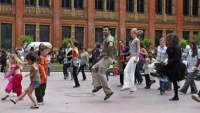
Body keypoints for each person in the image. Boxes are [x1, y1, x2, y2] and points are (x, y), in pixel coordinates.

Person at [91, 26, 114, 100]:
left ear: (109, 31)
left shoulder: (109, 37)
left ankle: (108, 91)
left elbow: (110, 45)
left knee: (101, 73)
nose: (104, 31)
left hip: (107, 58)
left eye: (106, 30)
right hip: (103, 58)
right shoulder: (105, 39)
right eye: (103, 30)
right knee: (94, 68)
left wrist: (107, 54)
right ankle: (97, 85)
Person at [163, 33, 182, 101]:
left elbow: (177, 58)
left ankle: (176, 96)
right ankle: (176, 95)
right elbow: (170, 56)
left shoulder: (177, 47)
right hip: (172, 64)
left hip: (176, 65)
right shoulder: (172, 46)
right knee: (173, 81)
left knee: (174, 80)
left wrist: (168, 61)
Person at [121, 28, 140, 93]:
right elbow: (134, 51)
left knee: (126, 70)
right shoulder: (134, 40)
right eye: (131, 33)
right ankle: (132, 87)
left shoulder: (137, 40)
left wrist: (136, 58)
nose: (131, 34)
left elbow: (138, 49)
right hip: (133, 57)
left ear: (135, 33)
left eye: (132, 33)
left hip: (134, 57)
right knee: (131, 72)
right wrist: (129, 56)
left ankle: (126, 85)